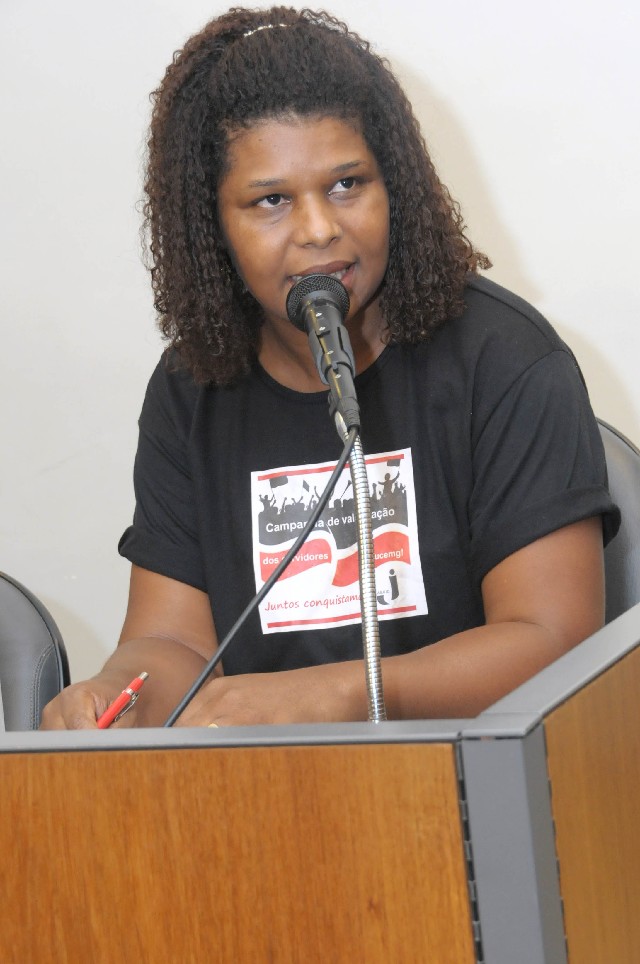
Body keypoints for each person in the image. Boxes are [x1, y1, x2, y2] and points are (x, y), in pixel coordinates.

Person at [41, 6, 619, 730]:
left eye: (348, 184)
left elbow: (551, 641)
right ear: (213, 226)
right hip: (270, 785)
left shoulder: (504, 359)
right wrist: (116, 695)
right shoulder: (193, 387)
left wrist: (341, 695)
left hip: (475, 779)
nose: (319, 228)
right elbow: (174, 642)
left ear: (393, 186)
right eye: (272, 200)